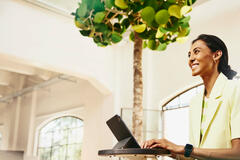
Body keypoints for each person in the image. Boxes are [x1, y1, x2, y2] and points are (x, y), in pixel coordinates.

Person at [142, 34, 240, 160]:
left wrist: (182, 148)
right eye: (189, 55)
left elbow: (237, 153)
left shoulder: (235, 90)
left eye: (196, 52)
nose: (191, 59)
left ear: (216, 55)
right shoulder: (196, 102)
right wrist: (168, 150)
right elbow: (193, 156)